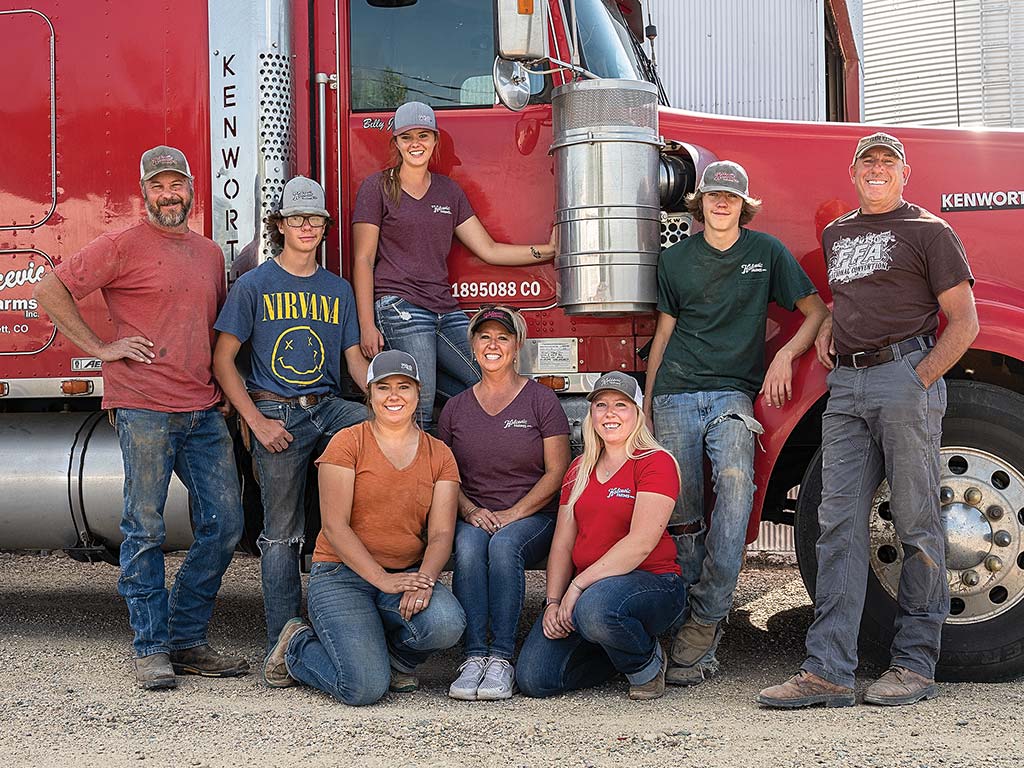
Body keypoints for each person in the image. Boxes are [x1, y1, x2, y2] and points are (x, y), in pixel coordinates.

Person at [758, 132, 978, 709]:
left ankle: (913, 664)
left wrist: (920, 378)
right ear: (853, 172)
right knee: (837, 525)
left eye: (888, 162)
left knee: (917, 523)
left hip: (904, 378)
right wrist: (831, 323)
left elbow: (964, 321)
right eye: (868, 162)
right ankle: (828, 669)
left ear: (906, 173)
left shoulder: (930, 231)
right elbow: (853, 296)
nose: (877, 169)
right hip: (846, 388)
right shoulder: (838, 234)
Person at [34, 145, 247, 689]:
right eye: (158, 185)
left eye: (177, 185)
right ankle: (152, 648)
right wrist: (100, 348)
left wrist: (224, 388)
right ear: (144, 191)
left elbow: (211, 328)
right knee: (145, 529)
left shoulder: (207, 254)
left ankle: (186, 640)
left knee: (225, 525)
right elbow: (48, 288)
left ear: (192, 189)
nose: (169, 194)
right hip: (143, 409)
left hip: (202, 410)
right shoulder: (121, 244)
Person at [642, 160, 829, 686]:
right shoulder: (676, 260)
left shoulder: (765, 252)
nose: (721, 203)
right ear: (699, 203)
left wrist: (785, 355)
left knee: (736, 486)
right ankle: (683, 615)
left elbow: (815, 312)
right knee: (682, 511)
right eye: (713, 196)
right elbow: (663, 335)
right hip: (677, 391)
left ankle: (707, 617)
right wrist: (651, 407)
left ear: (744, 206)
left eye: (731, 197)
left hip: (731, 395)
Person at [212, 176, 368, 654]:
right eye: (296, 218)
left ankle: (360, 612)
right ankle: (284, 642)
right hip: (275, 413)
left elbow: (355, 360)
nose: (306, 225)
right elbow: (222, 360)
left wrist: (392, 408)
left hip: (326, 407)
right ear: (280, 225)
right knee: (282, 533)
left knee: (375, 428)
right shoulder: (254, 286)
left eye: (314, 219)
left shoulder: (338, 289)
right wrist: (256, 423)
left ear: (324, 227)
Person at [261, 350, 466, 705]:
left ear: (419, 393)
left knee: (447, 623)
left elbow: (441, 534)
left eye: (404, 386)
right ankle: (296, 646)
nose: (394, 396)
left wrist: (426, 580)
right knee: (364, 688)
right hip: (342, 575)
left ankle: (394, 659)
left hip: (401, 574)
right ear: (369, 394)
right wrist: (381, 579)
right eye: (383, 387)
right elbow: (335, 527)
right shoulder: (348, 442)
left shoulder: (440, 454)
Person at [352, 100, 557, 430]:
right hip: (399, 305)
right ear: (396, 143)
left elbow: (488, 249)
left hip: (445, 309)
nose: (415, 144)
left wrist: (547, 251)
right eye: (407, 137)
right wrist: (366, 324)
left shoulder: (448, 192)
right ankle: (419, 480)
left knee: (490, 378)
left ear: (435, 141)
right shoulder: (377, 188)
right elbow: (363, 259)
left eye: (423, 136)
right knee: (419, 401)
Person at [517, 373, 687, 701]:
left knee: (594, 607)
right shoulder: (579, 469)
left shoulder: (656, 462)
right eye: (601, 405)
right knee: (535, 679)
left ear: (637, 412)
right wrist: (553, 602)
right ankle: (614, 656)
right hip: (591, 593)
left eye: (621, 405)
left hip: (651, 583)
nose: (610, 413)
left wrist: (577, 587)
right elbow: (563, 543)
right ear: (591, 414)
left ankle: (646, 665)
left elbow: (639, 544)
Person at [438, 305, 571, 700]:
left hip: (534, 516)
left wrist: (514, 513)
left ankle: (501, 658)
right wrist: (470, 511)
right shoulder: (455, 408)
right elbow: (444, 476)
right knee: (466, 545)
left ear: (516, 347)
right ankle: (474, 655)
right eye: (484, 337)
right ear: (473, 347)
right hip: (477, 514)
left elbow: (557, 473)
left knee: (506, 543)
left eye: (503, 337)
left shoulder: (541, 401)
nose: (493, 344)